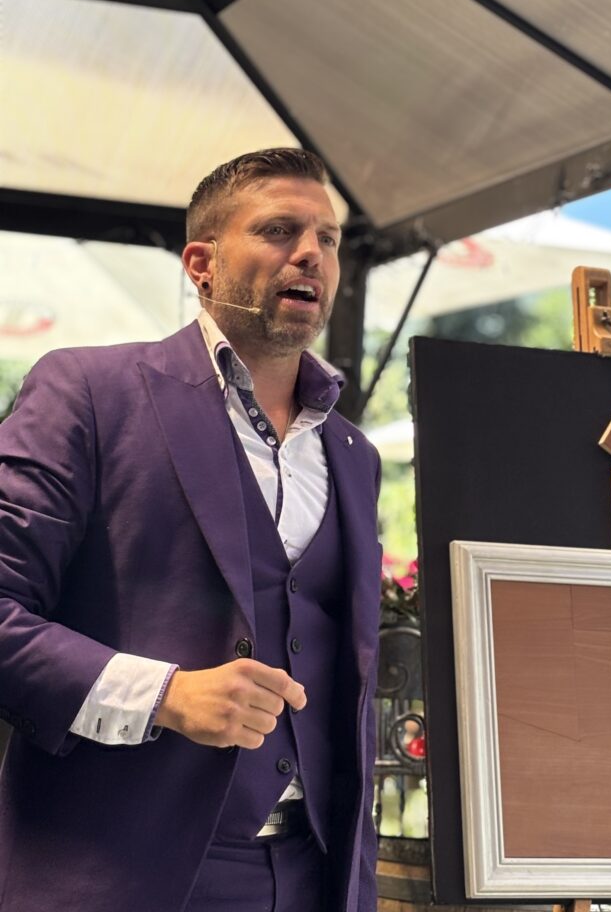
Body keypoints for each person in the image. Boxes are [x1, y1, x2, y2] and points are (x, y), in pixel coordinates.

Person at [0, 148, 382, 912]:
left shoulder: (354, 454)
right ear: (201, 264)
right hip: (114, 875)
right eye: (278, 230)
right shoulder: (89, 392)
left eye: (328, 238)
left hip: (312, 877)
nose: (311, 253)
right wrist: (163, 695)